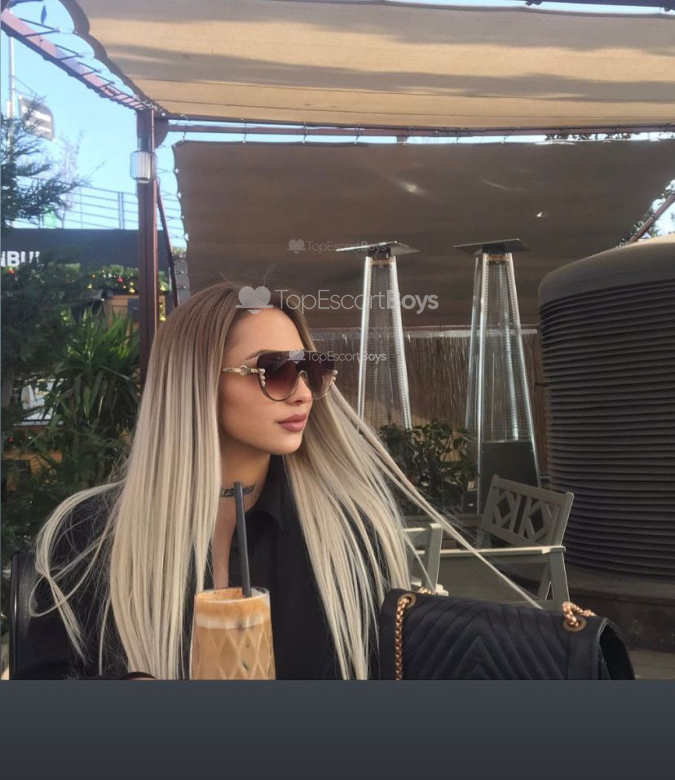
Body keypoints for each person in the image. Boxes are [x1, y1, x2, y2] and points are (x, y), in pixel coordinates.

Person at [18, 280, 530, 681]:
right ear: (196, 381)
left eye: (312, 369)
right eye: (276, 371)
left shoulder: (348, 533)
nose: (303, 392)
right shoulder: (89, 534)